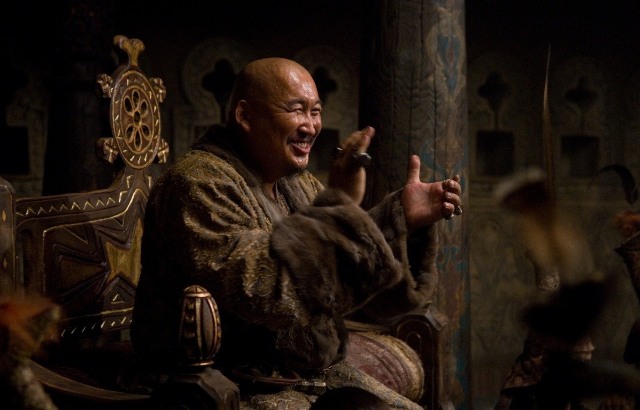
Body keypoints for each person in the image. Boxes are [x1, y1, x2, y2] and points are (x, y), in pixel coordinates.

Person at [131, 57, 462, 409]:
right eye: (296, 110)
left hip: (302, 374)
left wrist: (401, 218)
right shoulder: (197, 183)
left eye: (315, 111)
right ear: (245, 116)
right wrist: (339, 205)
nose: (311, 126)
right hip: (222, 386)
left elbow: (340, 268)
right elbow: (266, 295)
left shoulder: (297, 183)